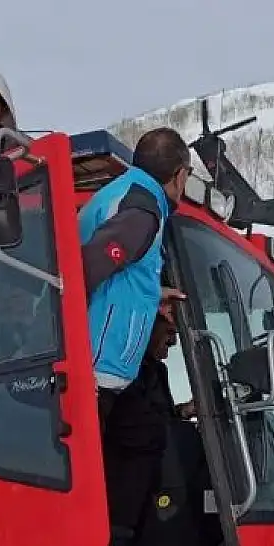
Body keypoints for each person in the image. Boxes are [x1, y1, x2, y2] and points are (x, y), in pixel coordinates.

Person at [76, 127, 192, 423]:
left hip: (98, 369)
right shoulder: (142, 212)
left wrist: (154, 293)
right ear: (179, 175)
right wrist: (78, 362)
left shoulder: (130, 195)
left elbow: (121, 273)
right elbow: (85, 268)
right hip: (95, 371)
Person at [101, 304, 187, 546]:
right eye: (170, 332)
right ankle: (117, 543)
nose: (173, 342)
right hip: (123, 470)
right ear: (147, 327)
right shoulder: (120, 369)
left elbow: (158, 415)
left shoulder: (157, 371)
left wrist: (183, 413)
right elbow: (134, 424)